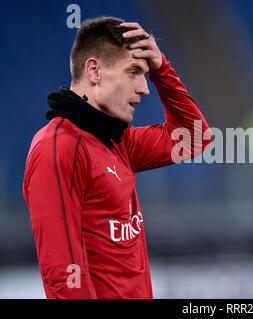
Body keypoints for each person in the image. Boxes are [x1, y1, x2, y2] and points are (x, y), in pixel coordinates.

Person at [22, 16, 211, 298]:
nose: (145, 89)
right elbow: (64, 277)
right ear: (95, 71)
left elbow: (195, 137)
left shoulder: (115, 141)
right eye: (134, 72)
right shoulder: (59, 149)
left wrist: (163, 70)